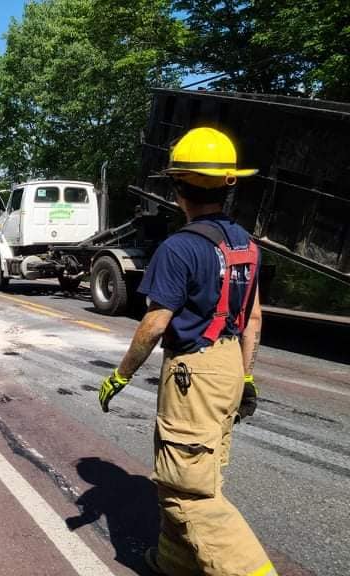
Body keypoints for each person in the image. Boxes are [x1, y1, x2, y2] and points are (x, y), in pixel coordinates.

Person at [98, 127, 275, 576]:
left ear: (178, 188)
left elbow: (155, 324)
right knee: (198, 473)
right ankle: (174, 563)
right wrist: (247, 376)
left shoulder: (179, 247)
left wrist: (121, 375)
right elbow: (253, 318)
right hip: (231, 364)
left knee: (187, 493)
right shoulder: (246, 246)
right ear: (229, 184)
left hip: (193, 373)